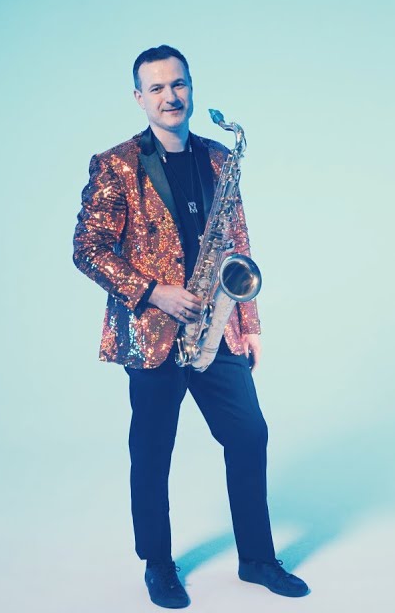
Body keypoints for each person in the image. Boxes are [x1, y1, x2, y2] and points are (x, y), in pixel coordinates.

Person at [72, 45, 309, 608]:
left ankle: (257, 559)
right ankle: (158, 563)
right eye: (156, 88)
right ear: (139, 98)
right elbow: (87, 248)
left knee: (248, 435)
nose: (170, 96)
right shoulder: (116, 164)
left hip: (215, 326)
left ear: (191, 87)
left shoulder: (220, 158)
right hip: (154, 331)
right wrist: (154, 291)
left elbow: (237, 243)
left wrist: (247, 322)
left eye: (177, 84)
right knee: (153, 452)